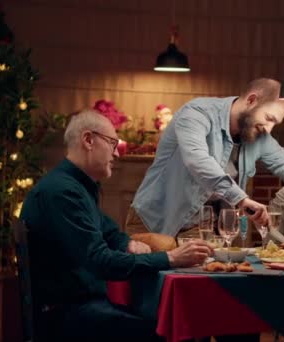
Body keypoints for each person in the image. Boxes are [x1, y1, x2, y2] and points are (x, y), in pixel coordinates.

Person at [20, 110, 212, 341]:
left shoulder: (75, 186)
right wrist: (170, 258)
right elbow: (101, 262)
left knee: (178, 321)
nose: (117, 153)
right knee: (179, 329)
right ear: (88, 140)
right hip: (68, 317)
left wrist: (128, 243)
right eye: (113, 142)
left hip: (79, 308)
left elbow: (109, 231)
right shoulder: (63, 192)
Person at [131, 78, 284, 238]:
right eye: (268, 118)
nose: (269, 129)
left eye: (275, 123)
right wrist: (241, 199)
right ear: (251, 100)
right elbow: (198, 161)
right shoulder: (197, 113)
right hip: (154, 223)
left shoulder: (259, 133)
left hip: (199, 230)